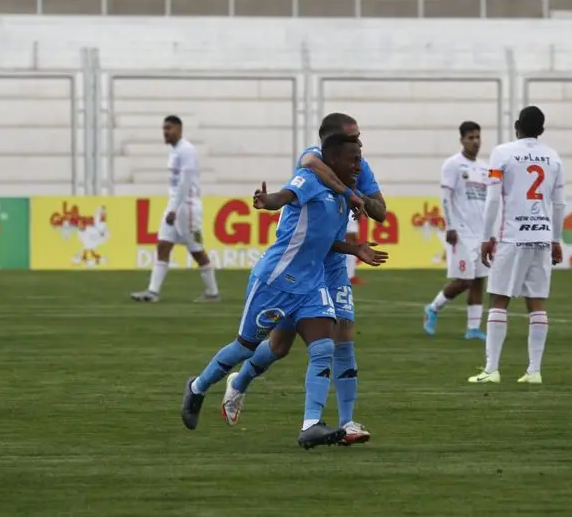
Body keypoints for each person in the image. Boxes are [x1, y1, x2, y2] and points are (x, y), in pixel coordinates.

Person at [180, 134, 388, 449]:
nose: (359, 166)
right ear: (332, 159)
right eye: (352, 159)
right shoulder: (310, 178)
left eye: (359, 159)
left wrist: (354, 249)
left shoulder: (346, 194)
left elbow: (323, 241)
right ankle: (197, 387)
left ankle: (311, 425)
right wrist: (267, 202)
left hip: (311, 283)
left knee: (323, 347)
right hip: (276, 280)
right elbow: (286, 195)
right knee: (245, 347)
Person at [468, 106, 564, 385]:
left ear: (517, 125)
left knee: (499, 299)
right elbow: (559, 203)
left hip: (513, 236)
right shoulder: (553, 157)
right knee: (537, 304)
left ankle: (492, 369)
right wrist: (556, 239)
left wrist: (487, 236)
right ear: (542, 130)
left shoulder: (502, 153)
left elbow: (493, 199)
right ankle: (534, 371)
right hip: (542, 236)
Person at [131, 115, 219, 303]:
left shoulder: (186, 151)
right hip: (175, 205)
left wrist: (173, 208)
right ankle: (152, 292)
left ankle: (212, 293)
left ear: (179, 129)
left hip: (186, 207)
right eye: (164, 128)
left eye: (169, 128)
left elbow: (185, 183)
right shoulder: (175, 151)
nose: (165, 132)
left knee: (196, 249)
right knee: (163, 244)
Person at [423, 121, 490, 341]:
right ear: (462, 139)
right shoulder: (452, 165)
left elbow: (488, 201)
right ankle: (433, 308)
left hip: (481, 233)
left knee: (479, 279)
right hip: (461, 231)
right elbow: (446, 197)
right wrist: (449, 226)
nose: (475, 141)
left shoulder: (484, 167)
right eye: (470, 137)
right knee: (465, 280)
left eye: (477, 137)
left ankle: (472, 328)